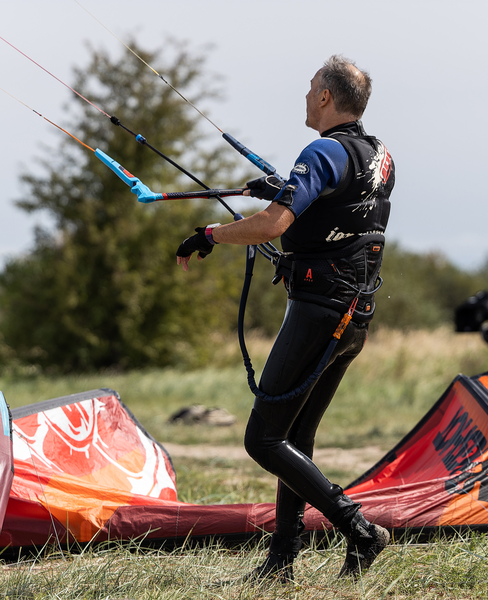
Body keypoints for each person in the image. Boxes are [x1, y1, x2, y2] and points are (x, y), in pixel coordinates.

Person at [175, 55, 395, 582]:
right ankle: (281, 563)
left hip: (320, 312)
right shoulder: (379, 154)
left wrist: (210, 235)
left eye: (310, 87)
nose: (304, 95)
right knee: (295, 438)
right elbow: (340, 210)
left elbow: (274, 226)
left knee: (264, 440)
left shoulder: (323, 149)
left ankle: (359, 529)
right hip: (354, 314)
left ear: (325, 97)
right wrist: (280, 188)